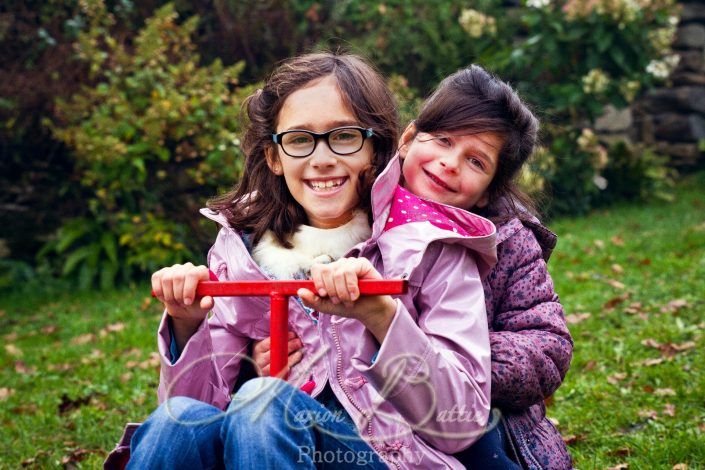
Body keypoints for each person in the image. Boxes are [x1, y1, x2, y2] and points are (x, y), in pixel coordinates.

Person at [123, 52, 498, 470]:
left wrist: (383, 318)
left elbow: (460, 422)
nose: (321, 158)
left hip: (384, 457)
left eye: (344, 136)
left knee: (265, 404)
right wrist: (186, 325)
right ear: (274, 158)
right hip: (267, 445)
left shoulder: (430, 246)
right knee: (175, 424)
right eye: (300, 139)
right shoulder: (241, 251)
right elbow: (200, 411)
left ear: (374, 150)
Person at [253, 65, 574, 469]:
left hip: (474, 421)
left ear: (488, 191)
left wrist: (451, 348)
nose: (450, 163)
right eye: (442, 140)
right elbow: (314, 315)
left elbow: (547, 344)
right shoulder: (358, 207)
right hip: (369, 410)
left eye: (476, 161)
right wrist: (269, 351)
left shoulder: (509, 241)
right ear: (407, 139)